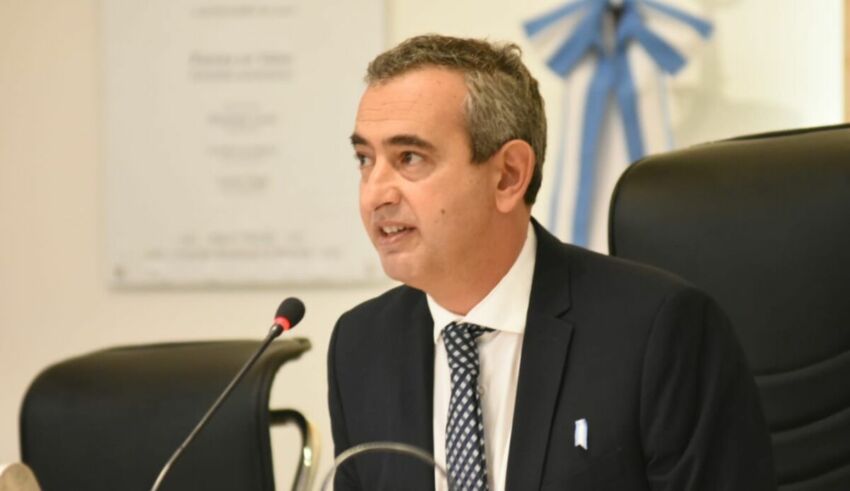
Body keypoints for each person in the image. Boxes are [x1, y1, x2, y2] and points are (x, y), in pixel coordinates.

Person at [327, 34, 774, 491]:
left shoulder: (659, 333)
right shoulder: (360, 345)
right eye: (365, 159)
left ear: (508, 176)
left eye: (409, 158)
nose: (375, 194)